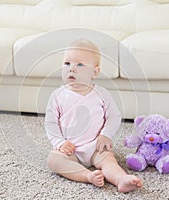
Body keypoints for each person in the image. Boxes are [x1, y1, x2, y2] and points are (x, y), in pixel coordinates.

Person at [44, 39, 143, 193]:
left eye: (80, 64)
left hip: (96, 146)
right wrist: (59, 143)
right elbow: (51, 123)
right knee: (53, 160)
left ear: (94, 72)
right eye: (67, 63)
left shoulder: (101, 94)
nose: (72, 69)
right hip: (71, 150)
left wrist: (106, 135)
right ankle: (87, 176)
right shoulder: (57, 96)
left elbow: (114, 116)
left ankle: (121, 179)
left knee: (109, 161)